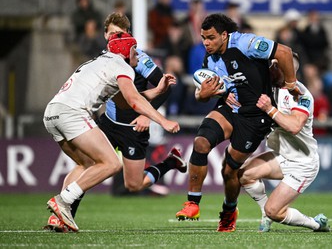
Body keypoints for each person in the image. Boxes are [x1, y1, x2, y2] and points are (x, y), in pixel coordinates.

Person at [44, 13, 187, 232]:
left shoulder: (100, 59)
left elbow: (123, 101)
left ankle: (59, 217)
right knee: (112, 164)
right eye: (112, 34)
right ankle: (63, 202)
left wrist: (157, 92)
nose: (136, 56)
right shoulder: (122, 66)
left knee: (113, 176)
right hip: (81, 116)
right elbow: (132, 99)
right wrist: (163, 121)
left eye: (119, 34)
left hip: (53, 112)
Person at [175, 13, 301, 232]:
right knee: (201, 143)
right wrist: (204, 94)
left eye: (211, 38)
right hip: (230, 108)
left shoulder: (246, 43)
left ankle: (229, 210)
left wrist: (291, 83)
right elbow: (201, 94)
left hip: (256, 117)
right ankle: (192, 203)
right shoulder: (209, 58)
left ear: (224, 35)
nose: (206, 43)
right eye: (204, 37)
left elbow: (284, 52)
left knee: (229, 171)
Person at [238, 54, 330, 233]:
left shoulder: (300, 94)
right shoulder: (268, 87)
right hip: (281, 156)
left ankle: (316, 224)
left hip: (302, 163)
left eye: (276, 65)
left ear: (290, 71)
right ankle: (265, 215)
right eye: (272, 64)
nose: (271, 67)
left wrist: (269, 109)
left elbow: (294, 126)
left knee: (275, 211)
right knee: (244, 175)